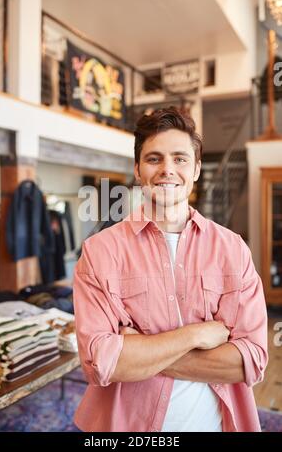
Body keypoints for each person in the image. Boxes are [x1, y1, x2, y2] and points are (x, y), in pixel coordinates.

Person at [73, 106, 268, 432]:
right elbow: (101, 365)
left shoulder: (232, 249)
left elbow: (250, 361)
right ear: (137, 169)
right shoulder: (99, 252)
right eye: (154, 159)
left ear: (196, 170)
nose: (167, 169)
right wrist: (197, 334)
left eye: (180, 159)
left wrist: (139, 352)